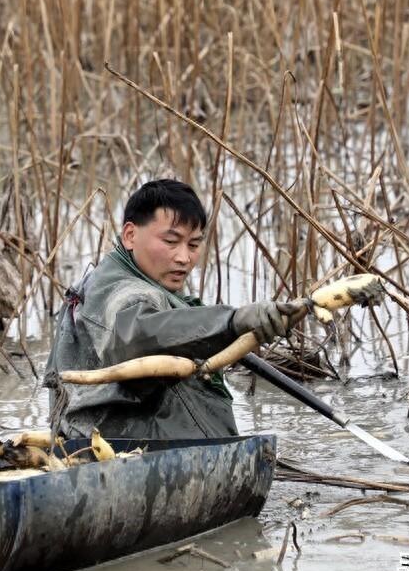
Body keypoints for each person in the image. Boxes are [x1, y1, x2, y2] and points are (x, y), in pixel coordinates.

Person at [44, 179, 307, 440]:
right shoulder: (122, 292)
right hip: (133, 459)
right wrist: (231, 321)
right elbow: (136, 335)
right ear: (130, 236)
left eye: (193, 245)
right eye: (171, 241)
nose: (184, 258)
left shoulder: (140, 280)